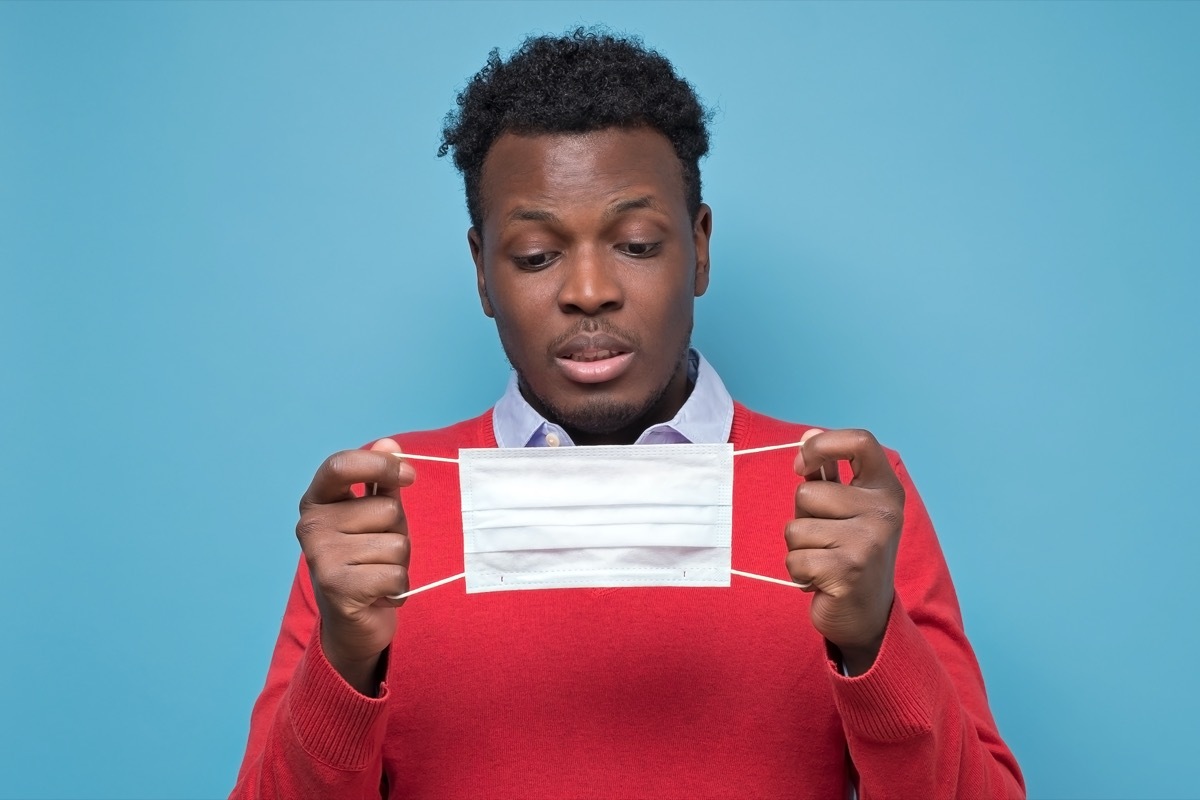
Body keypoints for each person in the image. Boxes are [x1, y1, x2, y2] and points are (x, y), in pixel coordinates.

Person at [231, 29, 1025, 799]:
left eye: (637, 244)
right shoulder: (379, 512)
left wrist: (874, 639)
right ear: (482, 272)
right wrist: (342, 663)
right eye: (537, 255)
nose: (588, 290)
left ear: (700, 247)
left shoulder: (842, 497)